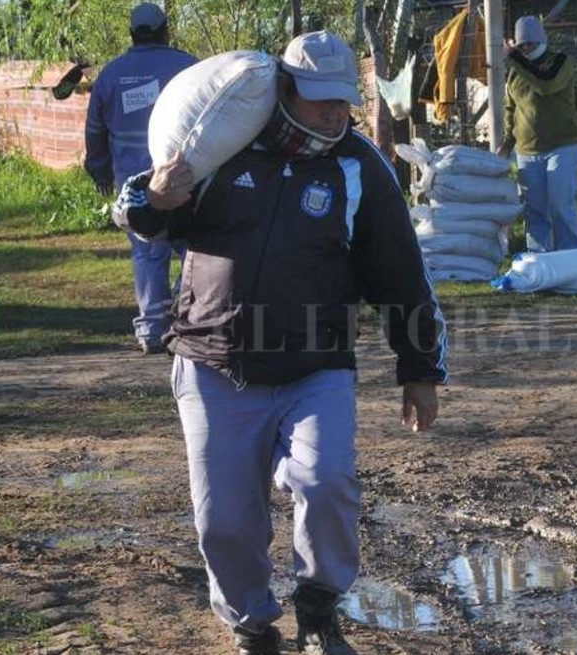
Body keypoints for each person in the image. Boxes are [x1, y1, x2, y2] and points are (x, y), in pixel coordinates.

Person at [113, 31, 448, 655]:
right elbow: (146, 214)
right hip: (212, 361)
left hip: (315, 366)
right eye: (320, 100)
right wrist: (153, 200)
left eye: (342, 101)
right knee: (224, 518)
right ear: (285, 90)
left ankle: (318, 609)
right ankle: (250, 625)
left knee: (326, 483)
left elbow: (400, 270)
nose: (333, 114)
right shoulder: (222, 143)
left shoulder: (357, 167)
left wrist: (419, 368)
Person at [84, 3, 197, 354]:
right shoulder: (188, 67)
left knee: (148, 253)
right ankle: (187, 314)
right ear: (165, 31)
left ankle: (152, 329)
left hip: (134, 184)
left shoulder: (111, 74)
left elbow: (94, 129)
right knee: (195, 247)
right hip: (184, 176)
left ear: (132, 34)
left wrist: (99, 168)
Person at [498, 15, 577, 253]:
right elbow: (511, 109)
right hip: (527, 151)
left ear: (541, 40)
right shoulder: (515, 72)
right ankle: (539, 257)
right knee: (534, 209)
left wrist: (514, 57)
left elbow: (546, 84)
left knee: (561, 205)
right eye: (522, 45)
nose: (526, 48)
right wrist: (507, 142)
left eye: (531, 43)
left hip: (562, 146)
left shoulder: (560, 62)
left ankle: (571, 255)